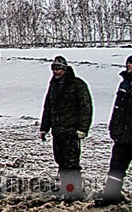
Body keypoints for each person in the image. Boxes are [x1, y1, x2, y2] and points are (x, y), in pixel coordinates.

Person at [40, 55, 93, 200]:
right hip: (58, 131)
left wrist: (83, 128)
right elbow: (48, 107)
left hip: (71, 131)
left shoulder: (77, 84)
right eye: (54, 68)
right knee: (60, 160)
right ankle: (66, 187)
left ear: (65, 69)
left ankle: (75, 191)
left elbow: (86, 107)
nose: (56, 72)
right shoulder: (53, 85)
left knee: (71, 163)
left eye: (59, 69)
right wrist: (44, 127)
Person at [95, 55, 132, 205]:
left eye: (131, 64)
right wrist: (114, 127)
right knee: (116, 169)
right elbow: (117, 109)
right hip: (122, 136)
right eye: (128, 63)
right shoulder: (124, 84)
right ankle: (111, 196)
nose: (128, 66)